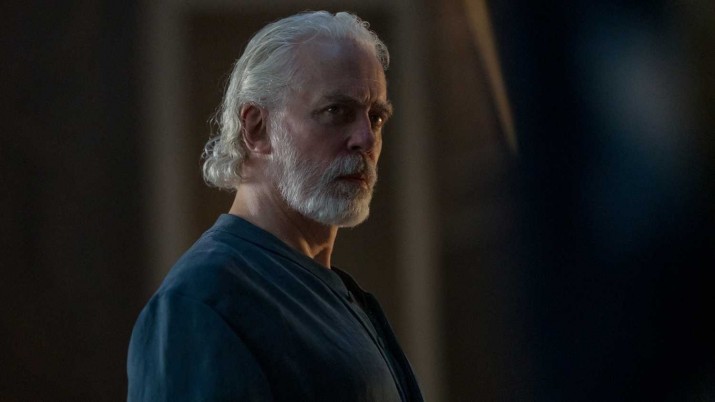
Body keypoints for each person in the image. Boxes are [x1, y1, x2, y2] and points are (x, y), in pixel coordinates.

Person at [127, 11, 423, 401]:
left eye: (376, 117)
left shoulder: (343, 299)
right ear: (257, 128)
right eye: (336, 111)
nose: (365, 139)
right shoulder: (201, 301)